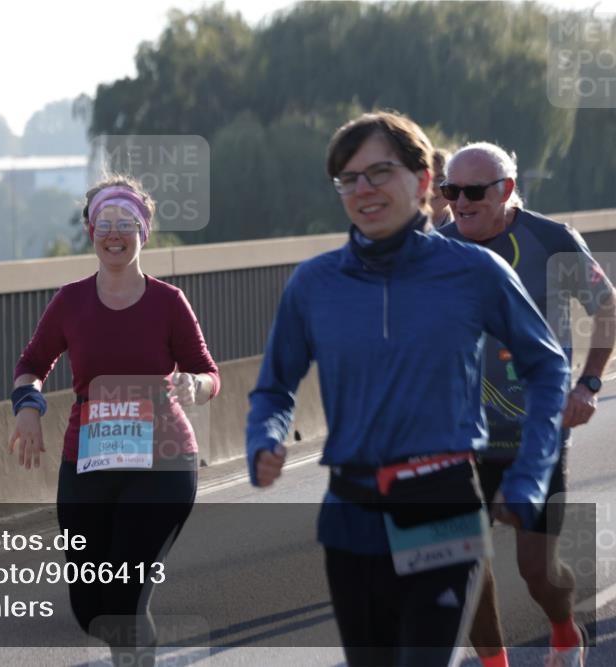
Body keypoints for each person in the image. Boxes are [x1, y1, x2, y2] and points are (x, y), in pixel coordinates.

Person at [246, 111, 570, 667]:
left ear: (422, 182)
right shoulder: (314, 283)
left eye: (380, 172)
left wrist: (530, 473)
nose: (364, 189)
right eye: (349, 179)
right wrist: (264, 438)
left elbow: (548, 368)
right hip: (350, 512)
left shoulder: (476, 271)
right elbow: (275, 387)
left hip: (440, 500)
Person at [9, 175, 219, 665]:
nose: (114, 233)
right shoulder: (70, 301)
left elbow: (208, 372)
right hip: (87, 464)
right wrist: (27, 408)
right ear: (90, 230)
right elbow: (32, 366)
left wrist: (196, 386)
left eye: (126, 223)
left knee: (123, 601)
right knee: (90, 610)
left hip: (164, 464)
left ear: (144, 231)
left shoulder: (169, 302)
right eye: (105, 223)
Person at [439, 142, 615, 667]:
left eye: (473, 192)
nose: (460, 203)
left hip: (534, 435)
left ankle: (564, 629)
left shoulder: (551, 240)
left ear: (507, 190)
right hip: (459, 439)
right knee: (461, 565)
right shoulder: (436, 250)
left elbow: (606, 310)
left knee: (538, 573)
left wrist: (587, 384)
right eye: (451, 192)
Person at [431, 147, 454, 228]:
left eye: (440, 179)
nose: (431, 186)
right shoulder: (396, 228)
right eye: (426, 178)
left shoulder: (466, 231)